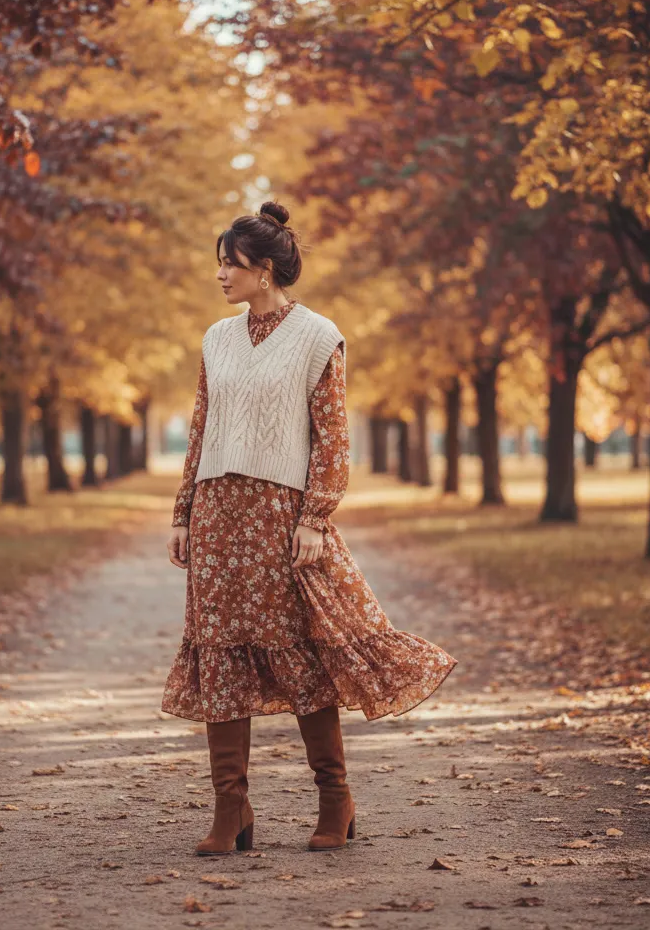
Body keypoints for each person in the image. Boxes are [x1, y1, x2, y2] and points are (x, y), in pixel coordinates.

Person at [163, 200, 458, 856]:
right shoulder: (216, 339)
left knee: (301, 656)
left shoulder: (319, 336)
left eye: (230, 264)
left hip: (279, 518)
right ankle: (230, 810)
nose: (220, 275)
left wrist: (315, 518)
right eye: (218, 264)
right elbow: (201, 428)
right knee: (221, 656)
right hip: (217, 518)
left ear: (264, 270)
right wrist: (183, 513)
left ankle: (335, 799)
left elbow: (332, 437)